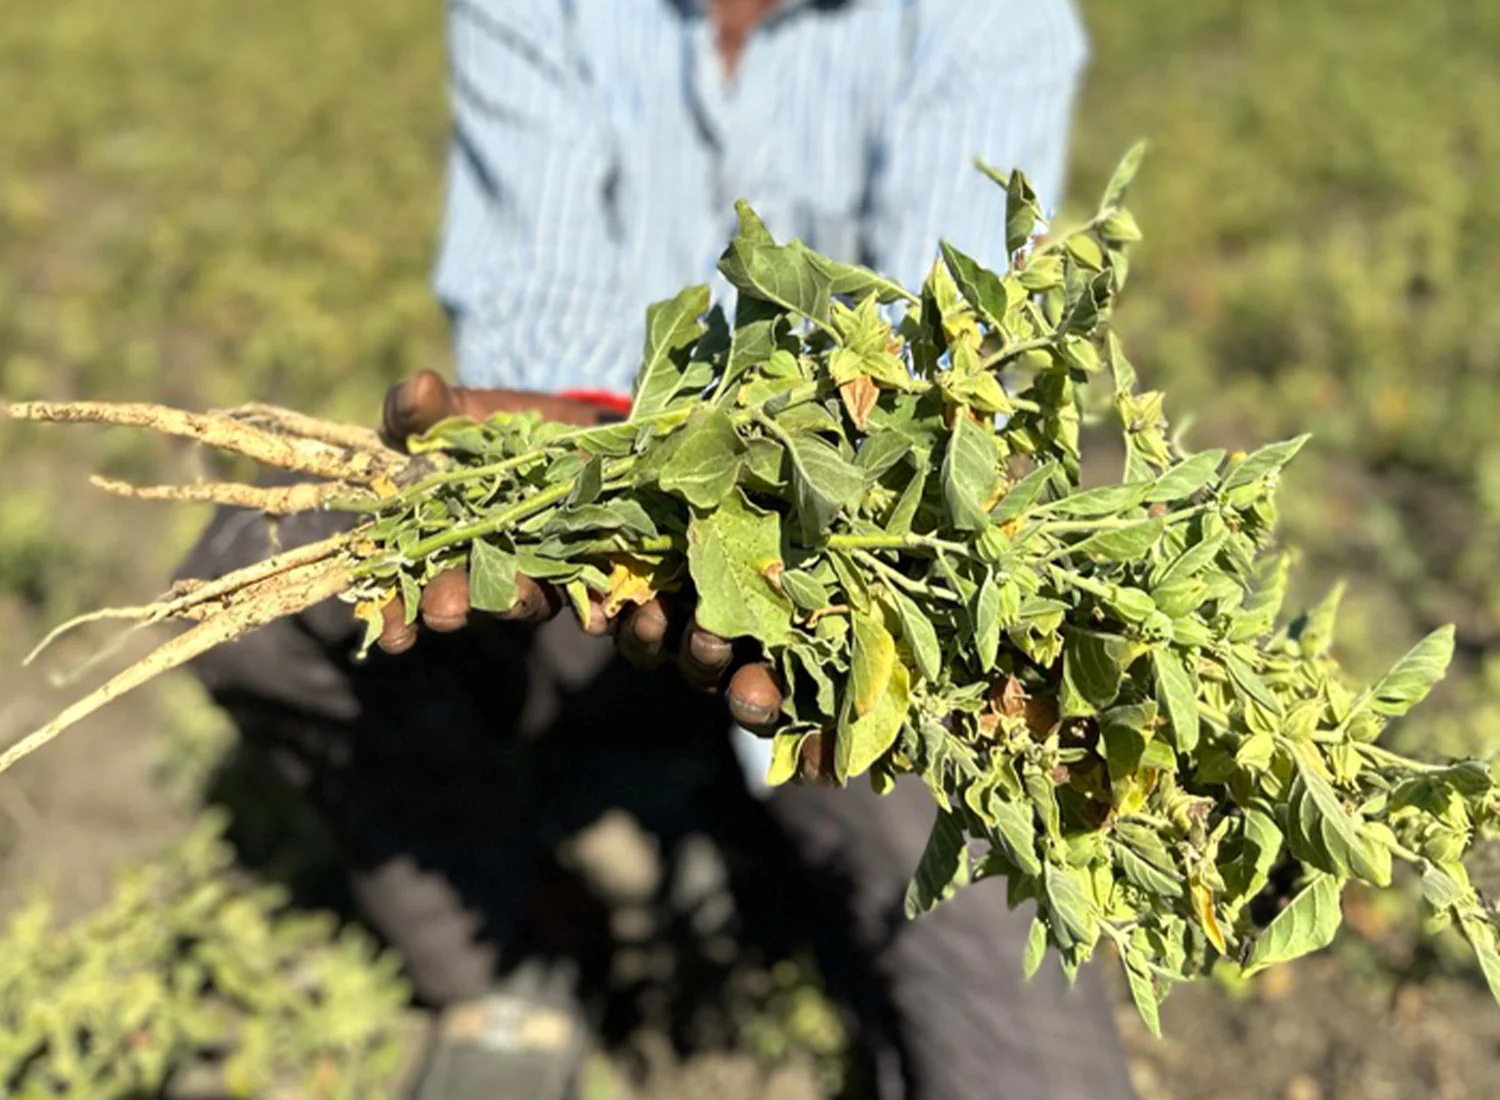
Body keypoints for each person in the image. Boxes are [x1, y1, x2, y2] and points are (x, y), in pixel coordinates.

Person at [179, 1, 1140, 1098]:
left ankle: (763, 853)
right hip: (588, 568)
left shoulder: (984, 19)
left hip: (842, 622)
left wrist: (765, 516)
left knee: (1032, 1072)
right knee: (254, 574)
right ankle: (518, 945)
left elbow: (941, 383)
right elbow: (537, 311)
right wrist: (608, 465)